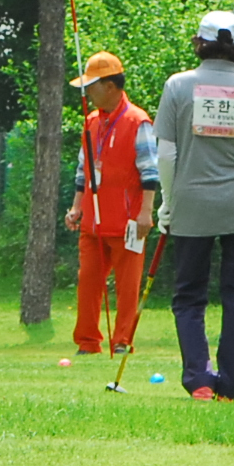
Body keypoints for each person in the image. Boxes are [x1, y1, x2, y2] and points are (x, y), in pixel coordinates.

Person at [152, 10, 234, 401]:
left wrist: (168, 204)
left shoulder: (177, 88)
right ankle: (232, 384)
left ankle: (199, 380)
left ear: (199, 43)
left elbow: (167, 156)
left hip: (192, 206)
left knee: (189, 295)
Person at [62, 49, 156, 357]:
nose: (87, 93)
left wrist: (145, 214)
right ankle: (87, 343)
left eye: (92, 86)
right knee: (88, 282)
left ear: (110, 86)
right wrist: (77, 206)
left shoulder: (138, 121)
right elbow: (83, 169)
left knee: (128, 288)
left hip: (129, 222)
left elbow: (150, 171)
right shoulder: (91, 122)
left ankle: (122, 341)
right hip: (93, 221)